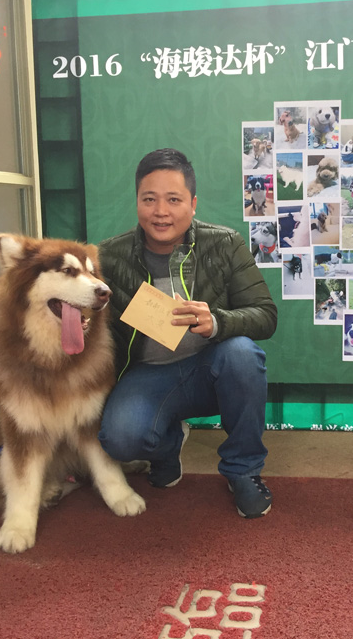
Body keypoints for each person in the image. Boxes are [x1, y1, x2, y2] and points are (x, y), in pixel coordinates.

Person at [97, 148, 277, 518]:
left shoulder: (224, 243)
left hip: (211, 367)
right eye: (149, 199)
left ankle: (243, 470)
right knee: (119, 439)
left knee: (242, 354)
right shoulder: (109, 256)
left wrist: (218, 322)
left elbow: (265, 315)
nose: (160, 211)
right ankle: (167, 444)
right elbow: (66, 302)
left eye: (174, 200)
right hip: (148, 375)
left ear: (193, 204)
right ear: (137, 202)